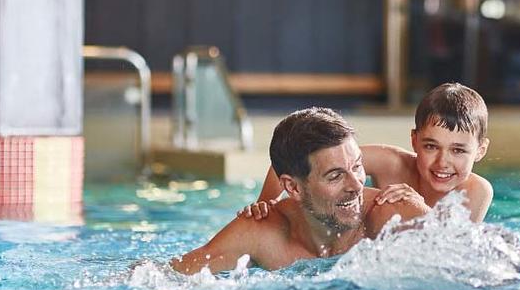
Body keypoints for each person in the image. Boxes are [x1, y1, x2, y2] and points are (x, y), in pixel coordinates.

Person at [171, 108, 429, 275]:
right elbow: (165, 276)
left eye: (358, 166)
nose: (356, 185)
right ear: (293, 187)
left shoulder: (395, 216)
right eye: (335, 175)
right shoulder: (263, 234)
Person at [240, 83, 494, 224]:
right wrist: (267, 203)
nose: (443, 162)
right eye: (431, 146)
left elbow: (453, 254)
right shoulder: (391, 163)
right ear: (414, 141)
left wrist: (417, 208)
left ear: (480, 150)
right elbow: (301, 158)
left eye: (458, 150)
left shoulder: (476, 191)